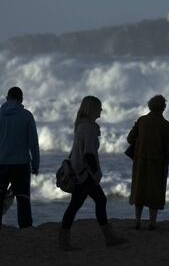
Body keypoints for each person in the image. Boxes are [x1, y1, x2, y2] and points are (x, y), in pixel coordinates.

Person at [59, 96, 127, 251]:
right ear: (92, 109)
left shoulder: (82, 125)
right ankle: (108, 239)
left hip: (80, 172)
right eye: (99, 107)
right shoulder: (88, 128)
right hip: (85, 174)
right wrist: (96, 174)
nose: (101, 110)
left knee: (85, 203)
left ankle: (66, 241)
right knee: (87, 203)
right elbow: (89, 154)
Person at [0, 87, 40, 233]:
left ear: (7, 98)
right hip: (21, 164)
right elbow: (33, 143)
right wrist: (35, 164)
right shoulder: (27, 116)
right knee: (23, 199)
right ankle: (25, 229)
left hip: (0, 163)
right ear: (21, 99)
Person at [127, 95, 169, 230]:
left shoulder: (142, 121)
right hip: (157, 163)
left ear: (149, 106)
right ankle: (152, 223)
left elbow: (130, 139)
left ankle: (137, 221)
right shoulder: (166, 125)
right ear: (163, 108)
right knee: (154, 193)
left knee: (139, 191)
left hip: (140, 160)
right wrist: (167, 161)